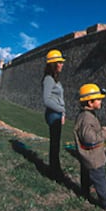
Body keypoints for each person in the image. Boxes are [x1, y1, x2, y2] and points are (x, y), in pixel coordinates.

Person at [74, 83, 106, 211]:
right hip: (93, 157)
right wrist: (104, 132)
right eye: (98, 99)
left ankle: (84, 192)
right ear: (90, 103)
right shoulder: (86, 119)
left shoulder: (87, 115)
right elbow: (90, 139)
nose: (101, 101)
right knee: (100, 180)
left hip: (88, 157)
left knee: (86, 173)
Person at [42, 49, 66, 180]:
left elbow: (58, 99)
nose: (62, 65)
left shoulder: (55, 79)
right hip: (53, 115)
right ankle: (55, 172)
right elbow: (46, 100)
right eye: (60, 62)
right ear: (54, 64)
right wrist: (61, 110)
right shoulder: (48, 79)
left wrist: (63, 112)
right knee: (55, 144)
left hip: (57, 114)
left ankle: (55, 169)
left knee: (56, 143)